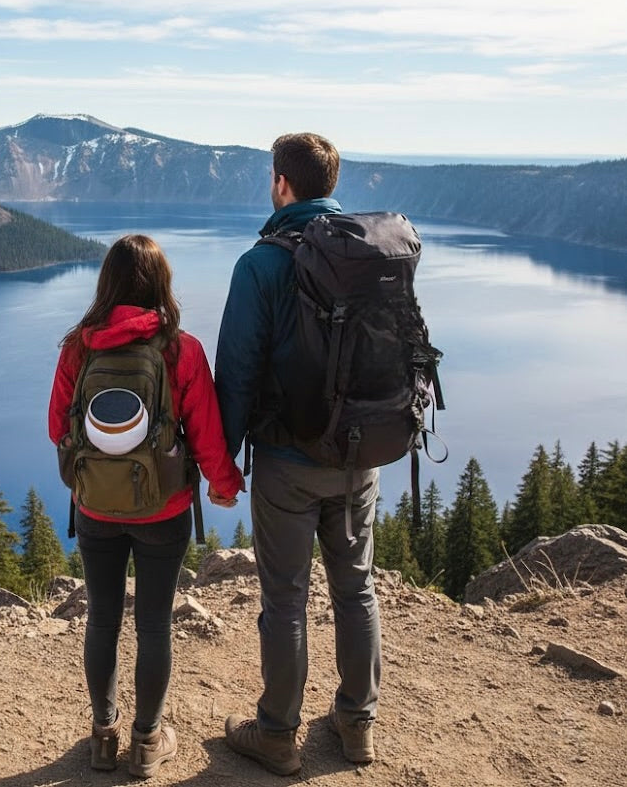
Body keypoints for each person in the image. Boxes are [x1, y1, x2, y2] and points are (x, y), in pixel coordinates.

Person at [211, 133, 381, 773]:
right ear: (331, 185)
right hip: (360, 453)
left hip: (288, 462)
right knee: (356, 589)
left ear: (282, 183)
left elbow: (237, 371)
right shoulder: (370, 252)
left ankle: (277, 734)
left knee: (285, 599)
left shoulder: (261, 265)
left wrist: (222, 467)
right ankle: (357, 723)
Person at [49, 234, 244, 779]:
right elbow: (205, 432)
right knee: (155, 624)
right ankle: (148, 740)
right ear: (162, 284)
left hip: (95, 510)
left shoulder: (78, 347)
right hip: (163, 510)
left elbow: (55, 427)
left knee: (103, 619)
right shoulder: (180, 349)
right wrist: (223, 484)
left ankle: (103, 737)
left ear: (106, 285)